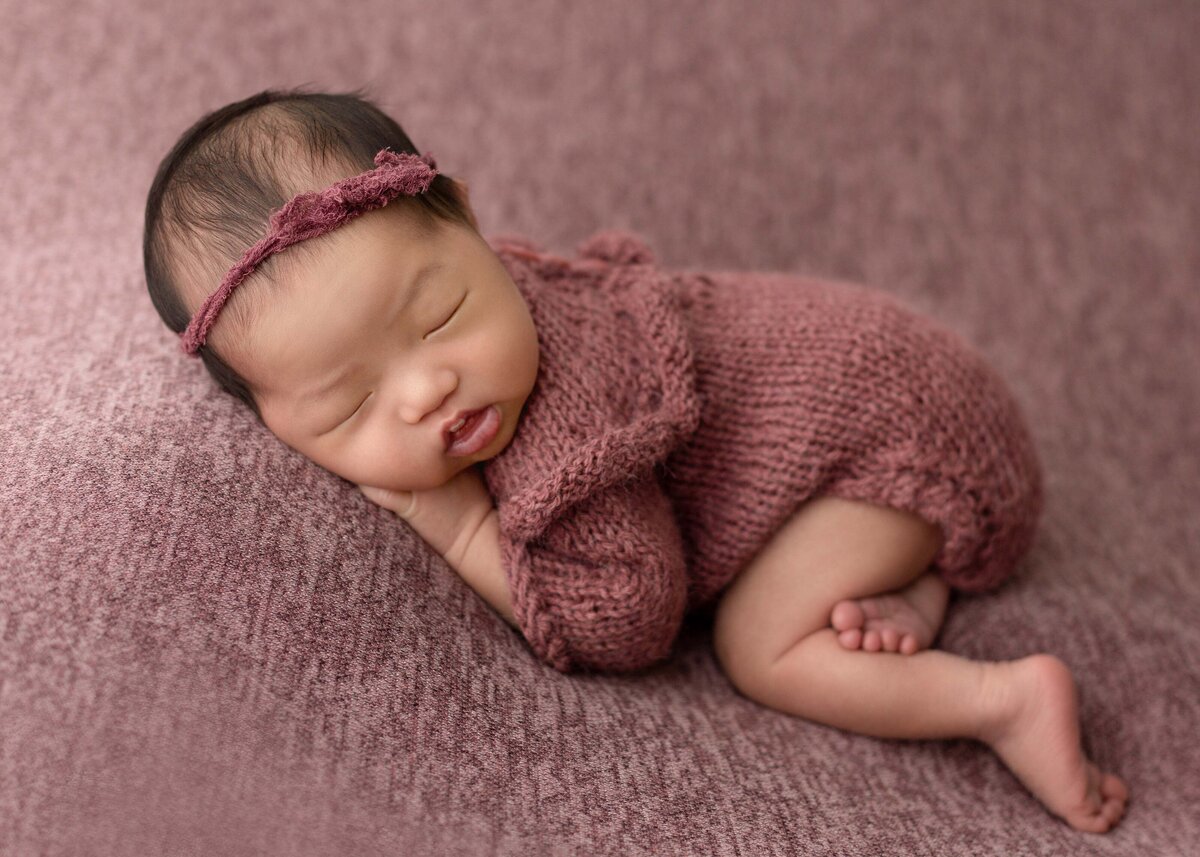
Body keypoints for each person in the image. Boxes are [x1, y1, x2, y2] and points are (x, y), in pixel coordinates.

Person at [143, 87, 1128, 833]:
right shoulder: (492, 319)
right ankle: (903, 586)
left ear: (474, 223)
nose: (425, 390)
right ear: (275, 424)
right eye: (351, 402)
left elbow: (630, 614)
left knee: (761, 646)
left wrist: (455, 521)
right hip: (877, 410)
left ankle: (1001, 699)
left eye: (441, 314)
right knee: (806, 580)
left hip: (909, 431)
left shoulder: (572, 425)